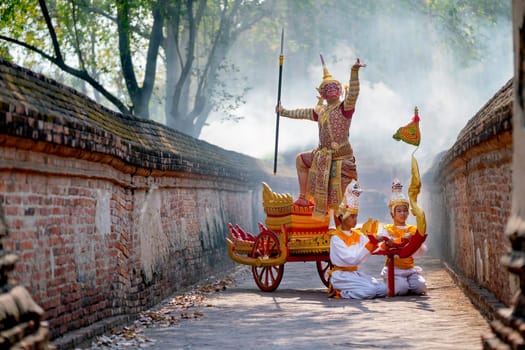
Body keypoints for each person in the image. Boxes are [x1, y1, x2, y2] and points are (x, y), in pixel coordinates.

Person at [276, 55, 366, 218]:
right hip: (322, 155)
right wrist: (283, 112)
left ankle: (342, 231)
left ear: (339, 91)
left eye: (334, 86)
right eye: (327, 88)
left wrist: (354, 71)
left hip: (341, 159)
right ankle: (303, 198)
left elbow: (353, 93)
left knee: (339, 204)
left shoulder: (345, 107)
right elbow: (301, 113)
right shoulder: (321, 111)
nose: (331, 88)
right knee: (301, 160)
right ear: (322, 94)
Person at [327, 180, 387, 299]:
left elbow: (371, 246)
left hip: (354, 274)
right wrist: (372, 243)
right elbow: (352, 259)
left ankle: (355, 289)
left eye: (356, 216)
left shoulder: (357, 234)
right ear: (341, 217)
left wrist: (384, 241)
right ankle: (342, 293)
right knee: (370, 291)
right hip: (341, 276)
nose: (355, 220)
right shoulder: (336, 238)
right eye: (352, 217)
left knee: (383, 289)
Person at [376, 179, 428, 296]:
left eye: (405, 211)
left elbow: (420, 251)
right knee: (401, 290)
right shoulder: (387, 228)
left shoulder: (412, 229)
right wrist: (387, 242)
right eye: (399, 211)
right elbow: (381, 246)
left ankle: (408, 282)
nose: (402, 214)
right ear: (392, 213)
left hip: (410, 268)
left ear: (408, 213)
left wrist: (413, 240)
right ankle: (397, 283)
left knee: (421, 288)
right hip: (394, 269)